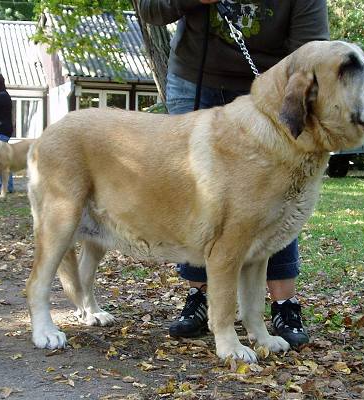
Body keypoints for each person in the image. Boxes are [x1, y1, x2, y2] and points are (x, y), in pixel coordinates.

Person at [138, 0, 329, 347]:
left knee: (278, 191)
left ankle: (283, 303)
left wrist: (288, 91)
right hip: (194, 78)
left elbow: (310, 50)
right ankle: (201, 298)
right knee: (198, 193)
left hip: (268, 87)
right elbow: (151, 9)